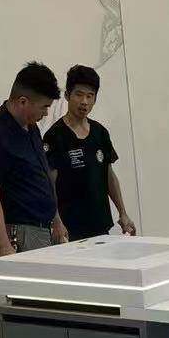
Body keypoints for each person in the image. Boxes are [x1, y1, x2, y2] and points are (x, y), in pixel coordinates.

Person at [0, 62, 68, 256]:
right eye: (44, 107)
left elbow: (42, 175)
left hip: (45, 227)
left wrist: (56, 220)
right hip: (22, 232)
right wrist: (2, 242)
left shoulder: (31, 126)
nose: (46, 113)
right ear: (23, 101)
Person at [43, 65, 136, 241]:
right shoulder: (55, 136)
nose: (84, 101)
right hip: (69, 230)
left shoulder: (100, 133)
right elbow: (49, 184)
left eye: (90, 96)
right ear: (67, 95)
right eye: (79, 94)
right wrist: (56, 222)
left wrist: (123, 213)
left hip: (101, 226)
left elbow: (108, 175)